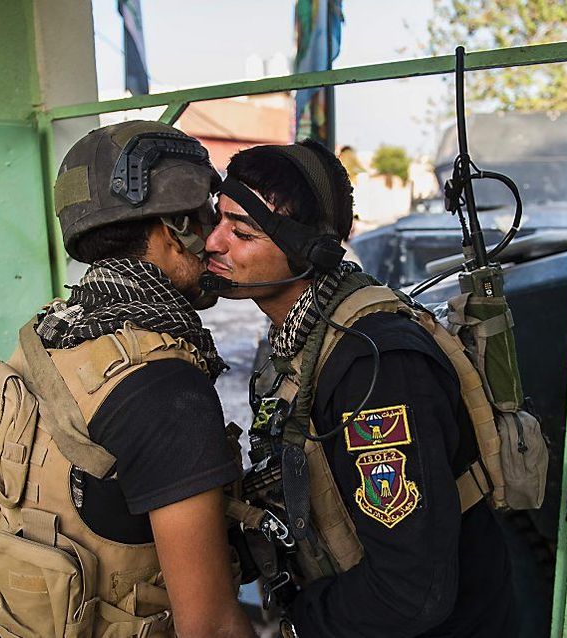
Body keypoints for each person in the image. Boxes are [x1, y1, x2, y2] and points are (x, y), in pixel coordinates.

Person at [0, 121, 255, 638]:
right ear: (176, 225)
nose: (216, 238)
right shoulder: (165, 388)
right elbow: (213, 627)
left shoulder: (52, 333)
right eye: (207, 217)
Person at [203, 140, 517, 637]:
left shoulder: (375, 368)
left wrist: (300, 624)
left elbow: (413, 592)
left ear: (311, 251)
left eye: (242, 232)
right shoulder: (300, 337)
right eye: (217, 221)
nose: (213, 244)